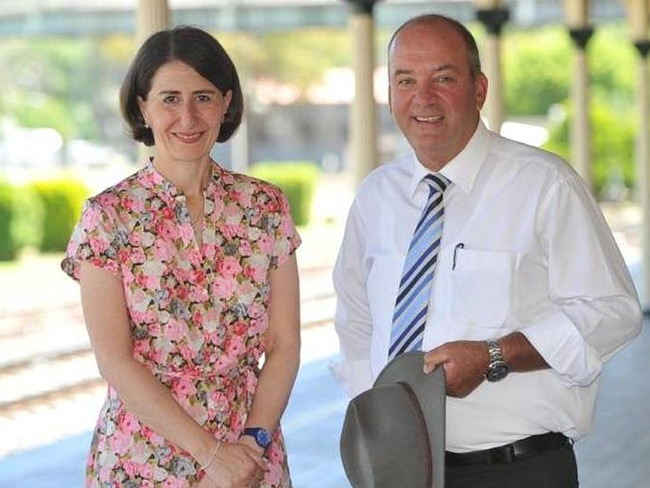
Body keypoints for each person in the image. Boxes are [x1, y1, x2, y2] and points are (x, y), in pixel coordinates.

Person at [332, 13, 642, 488]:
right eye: (406, 80)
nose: (424, 97)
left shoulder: (544, 184)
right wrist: (376, 424)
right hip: (402, 470)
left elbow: (614, 311)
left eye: (444, 78)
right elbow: (356, 321)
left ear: (479, 89)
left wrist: (496, 354)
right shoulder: (376, 197)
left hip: (518, 470)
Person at [61, 26, 301, 488]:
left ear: (227, 102)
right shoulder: (107, 218)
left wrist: (249, 447)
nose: (188, 116)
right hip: (142, 458)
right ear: (142, 107)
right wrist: (212, 456)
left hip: (251, 453)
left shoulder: (266, 207)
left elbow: (285, 344)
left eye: (204, 97)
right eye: (169, 98)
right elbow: (115, 359)